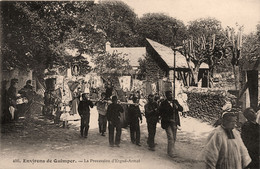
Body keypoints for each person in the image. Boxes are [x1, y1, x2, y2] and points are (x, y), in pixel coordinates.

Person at [159, 91, 183, 157]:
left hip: (174, 122)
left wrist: (177, 107)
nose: (171, 96)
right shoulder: (163, 103)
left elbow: (181, 109)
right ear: (166, 96)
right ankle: (172, 153)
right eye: (169, 95)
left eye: (171, 95)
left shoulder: (175, 101)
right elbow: (161, 113)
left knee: (174, 138)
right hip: (167, 123)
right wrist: (169, 119)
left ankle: (169, 151)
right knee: (171, 137)